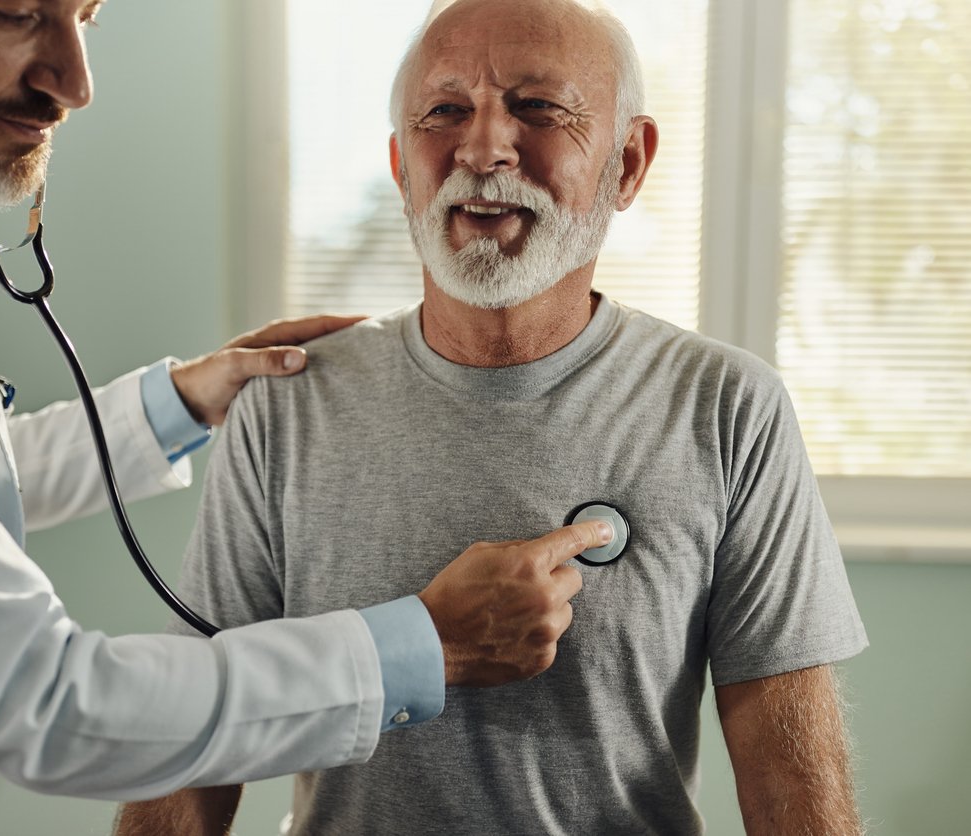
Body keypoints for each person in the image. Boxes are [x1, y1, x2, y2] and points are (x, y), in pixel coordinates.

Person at [0, 1, 614, 833]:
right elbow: (47, 705)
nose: (74, 81)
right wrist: (424, 644)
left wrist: (182, 400)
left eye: (84, 14)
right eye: (16, 12)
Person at [114, 0, 870, 833]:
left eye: (537, 108)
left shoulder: (727, 407)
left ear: (626, 162)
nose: (480, 150)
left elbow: (789, 773)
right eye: (444, 112)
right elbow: (193, 738)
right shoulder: (286, 407)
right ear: (401, 167)